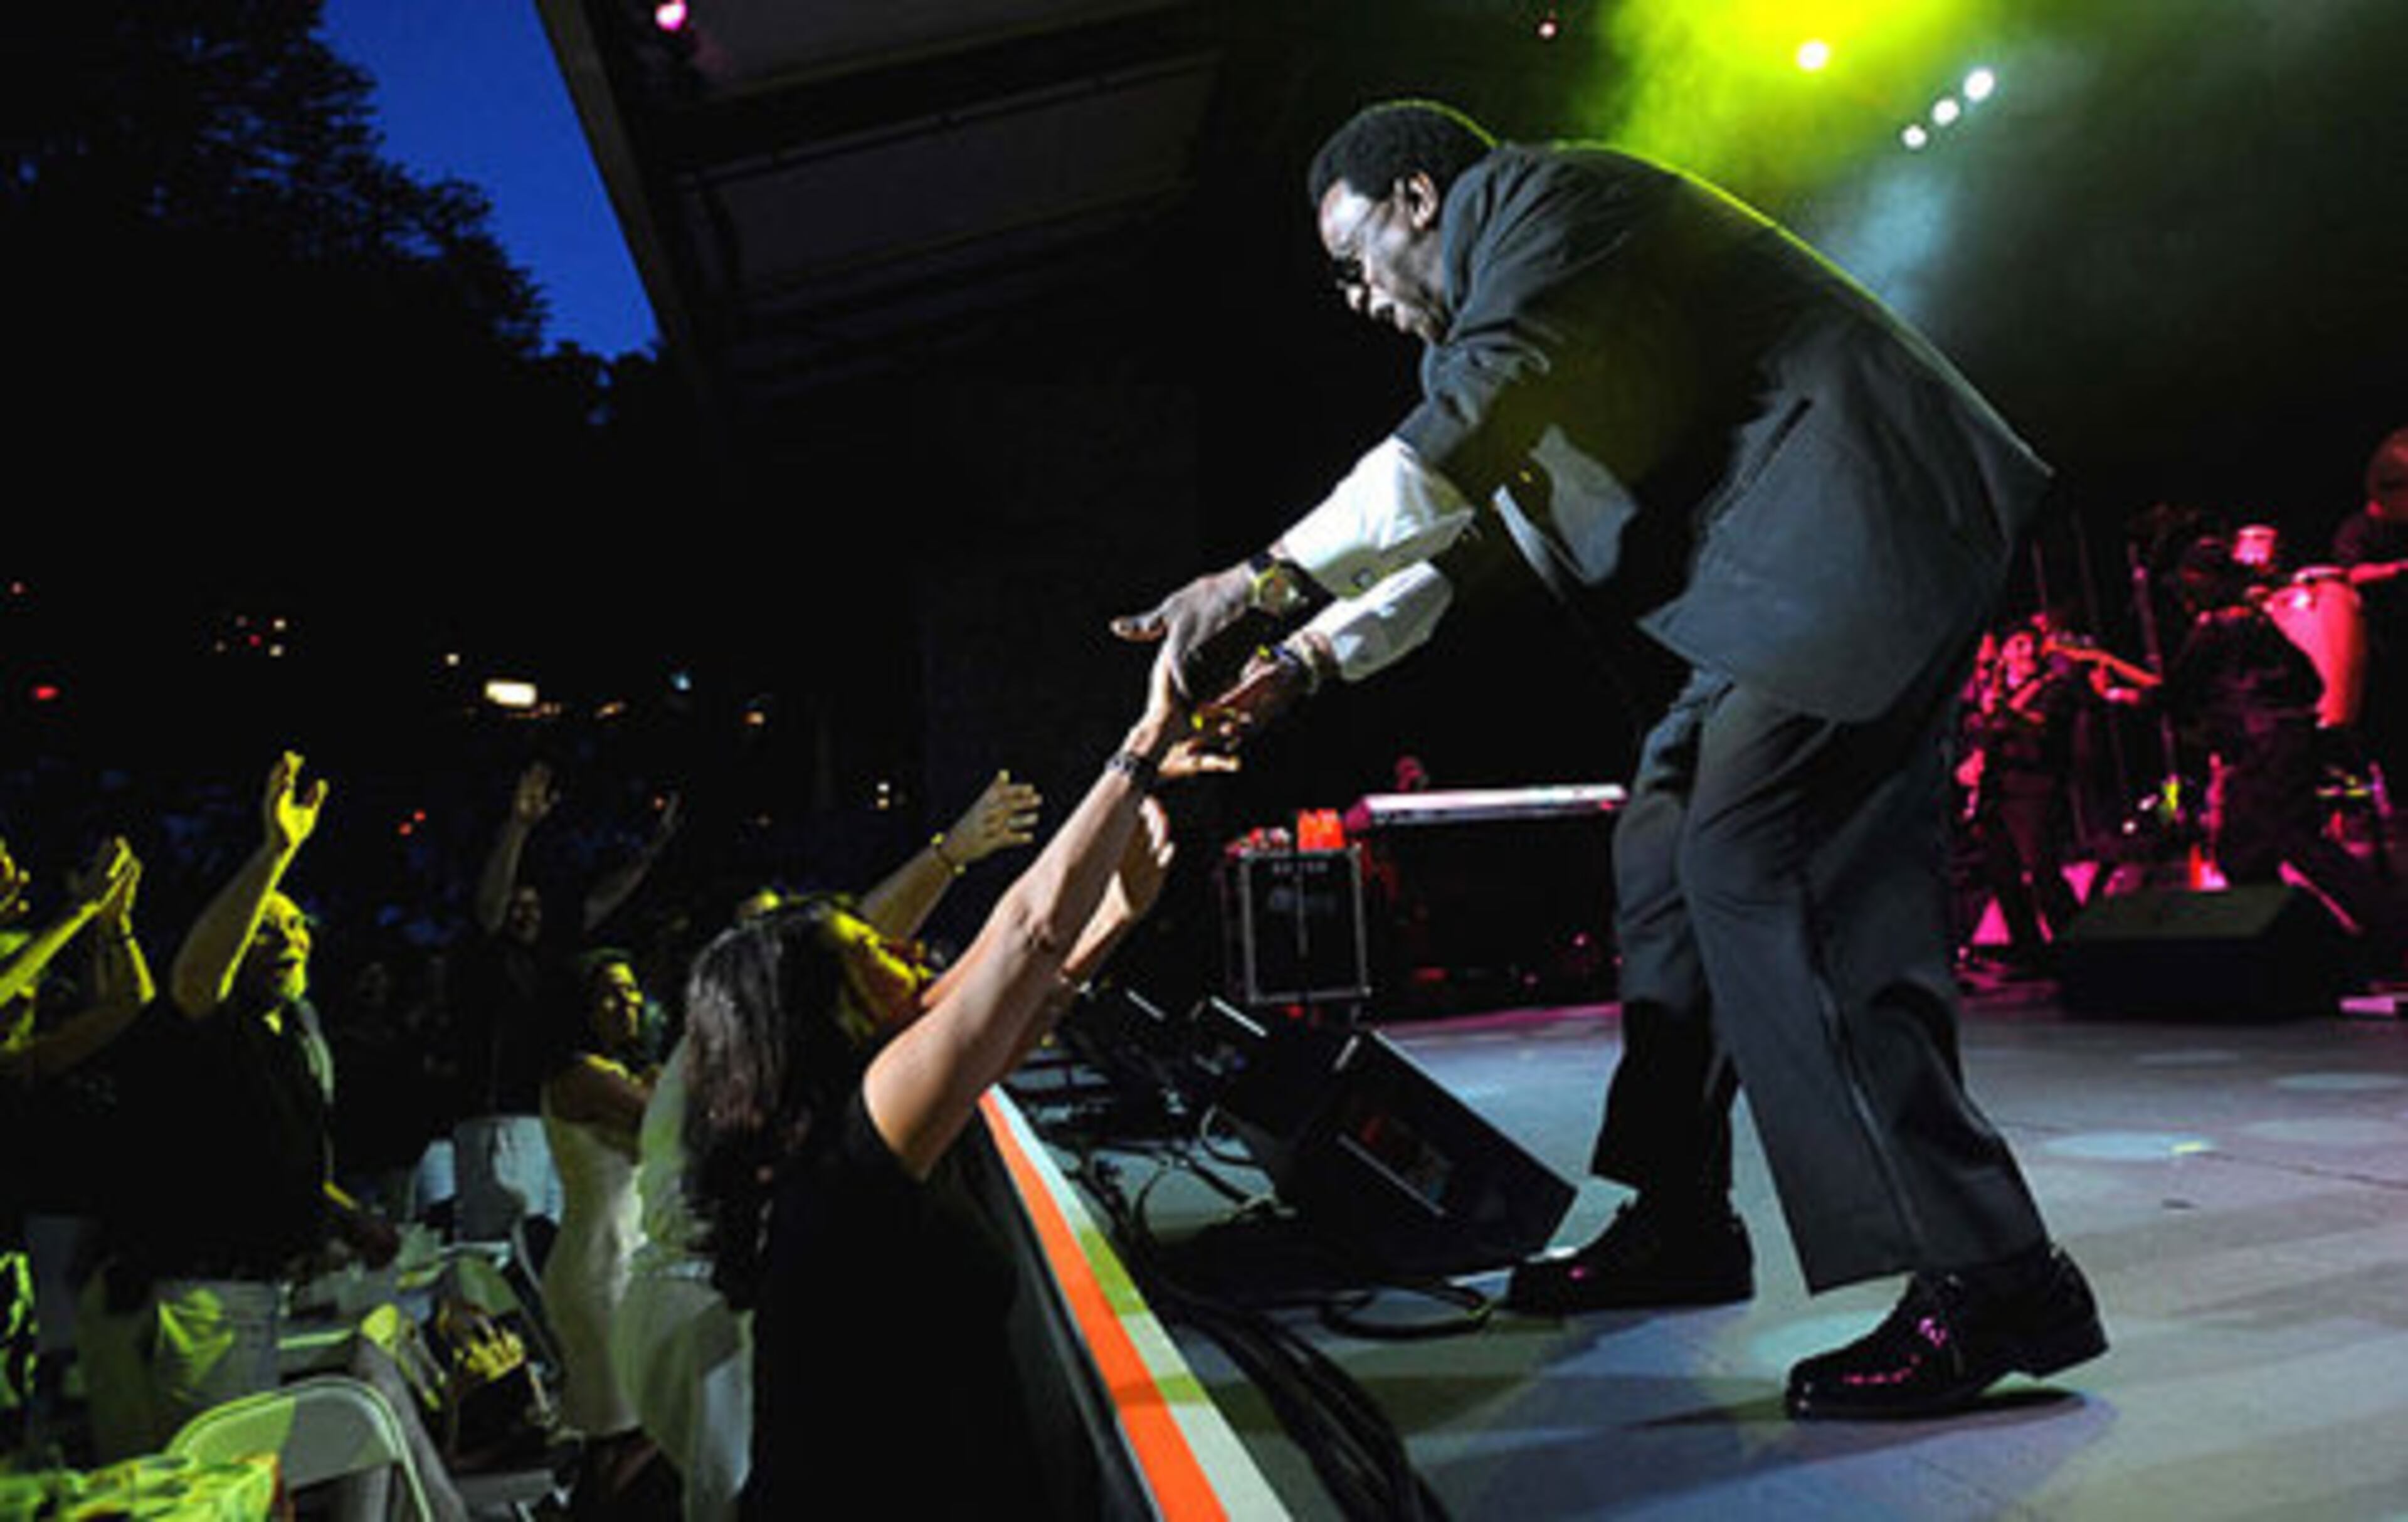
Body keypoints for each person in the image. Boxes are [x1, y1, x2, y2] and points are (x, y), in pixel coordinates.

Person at [1114, 98, 2103, 1420]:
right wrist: (1301, 663)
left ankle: (2000, 1276)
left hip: (1866, 537)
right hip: (1783, 593)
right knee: (1663, 842)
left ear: (1418, 196)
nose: (1357, 298)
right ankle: (1681, 1213)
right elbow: (1453, 543)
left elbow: (1457, 440)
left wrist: (1258, 578)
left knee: (1760, 854)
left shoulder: (1546, 208)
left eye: (1357, 258)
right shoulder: (1501, 329)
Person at [684, 661, 1210, 1517]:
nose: (910, 955)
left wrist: (1116, 911)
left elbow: (1012, 1006)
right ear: (828, 1012)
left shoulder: (859, 1106)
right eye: (874, 951)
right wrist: (1142, 743)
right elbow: (1025, 934)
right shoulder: (862, 1124)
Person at [611, 768, 1043, 1522]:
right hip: (694, 1309)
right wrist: (950, 854)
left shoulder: (772, 1050)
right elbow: (861, 934)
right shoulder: (727, 1042)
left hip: (714, 1296)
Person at [75, 753, 397, 1460]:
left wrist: (347, 1218)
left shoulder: (283, 1041)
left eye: (296, 925)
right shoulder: (209, 1021)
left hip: (248, 1298)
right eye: (267, 928)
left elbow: (279, 1159)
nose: (289, 938)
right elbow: (195, 974)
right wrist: (276, 853)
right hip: (200, 1302)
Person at [450, 762, 678, 1248]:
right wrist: (519, 827)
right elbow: (489, 907)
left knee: (547, 1245)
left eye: (532, 905)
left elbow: (599, 903)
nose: (525, 911)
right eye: (517, 905)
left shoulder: (550, 959)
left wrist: (651, 855)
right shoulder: (486, 955)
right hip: (499, 1122)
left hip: (546, 1121)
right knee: (500, 1253)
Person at [538, 946, 667, 1518]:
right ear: (582, 1009)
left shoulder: (613, 1075)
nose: (629, 1002)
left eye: (634, 989)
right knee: (633, 1432)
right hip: (601, 1268)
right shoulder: (580, 1076)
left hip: (613, 1261)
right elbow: (669, 1121)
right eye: (611, 992)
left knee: (618, 1436)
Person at [1958, 621, 2089, 973]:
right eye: (2018, 645)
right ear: (2003, 653)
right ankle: (2029, 954)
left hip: (2034, 792)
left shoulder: (2053, 688)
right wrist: (1968, 765)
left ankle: (2080, 949)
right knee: (2003, 877)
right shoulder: (1986, 694)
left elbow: (2042, 727)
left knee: (2044, 872)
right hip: (1995, 794)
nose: (2028, 652)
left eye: (2031, 644)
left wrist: (2006, 713)